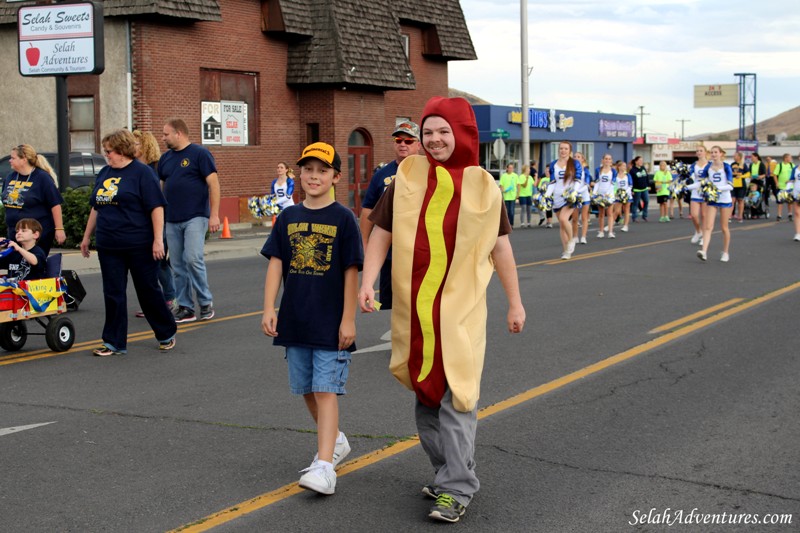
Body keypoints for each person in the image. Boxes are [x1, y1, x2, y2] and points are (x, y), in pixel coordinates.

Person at [359, 96, 525, 523]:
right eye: (427, 132)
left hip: (460, 314)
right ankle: (450, 472)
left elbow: (500, 246)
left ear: (463, 134)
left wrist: (515, 302)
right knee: (426, 400)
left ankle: (457, 487)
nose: (433, 140)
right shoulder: (406, 178)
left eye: (443, 131)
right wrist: (367, 279)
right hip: (415, 314)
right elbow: (382, 232)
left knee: (457, 399)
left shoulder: (483, 186)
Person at [261, 142, 362, 496]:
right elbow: (276, 262)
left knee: (325, 389)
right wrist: (269, 306)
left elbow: (352, 271)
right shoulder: (287, 217)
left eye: (322, 170)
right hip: (296, 319)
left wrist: (348, 319)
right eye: (308, 169)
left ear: (336, 176)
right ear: (298, 174)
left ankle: (324, 466)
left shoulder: (343, 218)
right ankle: (334, 442)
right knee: (305, 389)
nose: (314, 176)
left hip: (330, 321)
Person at [80, 129, 177, 356]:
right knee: (113, 293)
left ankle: (165, 332)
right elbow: (97, 206)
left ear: (123, 151)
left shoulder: (142, 173)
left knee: (148, 290)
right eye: (105, 151)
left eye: (109, 151)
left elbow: (156, 207)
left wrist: (157, 241)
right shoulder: (104, 172)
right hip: (109, 244)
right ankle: (113, 342)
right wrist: (86, 237)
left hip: (138, 244)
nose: (107, 156)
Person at [159, 118, 220, 323]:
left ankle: (205, 302)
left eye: (166, 134)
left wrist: (215, 214)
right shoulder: (166, 158)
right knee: (177, 264)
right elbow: (161, 187)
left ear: (179, 133)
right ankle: (185, 306)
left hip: (195, 216)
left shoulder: (200, 154)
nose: (163, 138)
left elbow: (214, 184)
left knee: (193, 258)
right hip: (171, 219)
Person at [359, 121, 420, 310]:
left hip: (420, 253)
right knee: (393, 308)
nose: (403, 144)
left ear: (419, 144)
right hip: (390, 255)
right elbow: (368, 209)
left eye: (408, 141)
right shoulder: (382, 175)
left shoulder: (430, 171)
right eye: (399, 140)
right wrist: (365, 243)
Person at [133, 130, 178, 318]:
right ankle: (153, 301)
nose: (132, 147)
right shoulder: (133, 168)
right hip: (140, 224)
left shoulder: (155, 168)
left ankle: (170, 298)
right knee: (147, 264)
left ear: (145, 145)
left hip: (158, 221)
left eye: (136, 144)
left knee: (159, 262)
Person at [2, 144, 65, 255]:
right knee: (15, 266)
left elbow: (55, 204)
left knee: (34, 266)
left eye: (13, 158)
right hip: (15, 231)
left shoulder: (42, 177)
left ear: (24, 159)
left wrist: (59, 229)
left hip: (36, 233)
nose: (10, 161)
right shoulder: (10, 177)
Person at [696, 146, 733, 262]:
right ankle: (704, 251)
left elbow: (730, 186)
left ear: (721, 153)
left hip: (725, 199)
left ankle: (726, 252)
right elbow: (701, 182)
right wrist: (686, 187)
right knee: (708, 226)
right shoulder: (708, 167)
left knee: (724, 227)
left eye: (716, 152)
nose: (713, 154)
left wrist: (717, 188)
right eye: (711, 152)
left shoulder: (726, 167)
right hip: (713, 199)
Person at [548, 141, 584, 259]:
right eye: (561, 148)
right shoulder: (554, 164)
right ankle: (566, 251)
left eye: (566, 149)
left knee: (564, 219)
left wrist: (574, 191)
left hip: (570, 196)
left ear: (570, 150)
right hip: (557, 197)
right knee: (562, 225)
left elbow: (578, 179)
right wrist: (546, 195)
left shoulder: (575, 163)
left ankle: (572, 239)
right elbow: (553, 182)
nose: (563, 151)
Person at [687, 146, 710, 245]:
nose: (699, 152)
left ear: (705, 152)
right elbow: (687, 175)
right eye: (697, 151)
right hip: (696, 191)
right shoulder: (693, 165)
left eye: (701, 151)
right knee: (694, 215)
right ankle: (698, 231)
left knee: (704, 216)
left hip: (706, 192)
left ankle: (705, 236)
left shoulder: (710, 165)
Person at [593, 154, 616, 238]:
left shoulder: (613, 171)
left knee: (610, 213)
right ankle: (601, 231)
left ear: (611, 161)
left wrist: (608, 193)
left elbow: (613, 183)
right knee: (601, 214)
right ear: (602, 160)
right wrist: (594, 193)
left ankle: (610, 231)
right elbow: (597, 182)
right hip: (600, 194)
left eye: (609, 159)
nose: (607, 160)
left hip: (609, 194)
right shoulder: (598, 170)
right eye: (606, 159)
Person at [572, 152, 592, 244]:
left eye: (578, 157)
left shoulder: (585, 170)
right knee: (575, 218)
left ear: (582, 159)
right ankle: (575, 236)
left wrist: (579, 191)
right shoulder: (570, 170)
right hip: (574, 195)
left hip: (584, 195)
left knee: (584, 217)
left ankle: (583, 236)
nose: (576, 158)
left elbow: (587, 184)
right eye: (575, 156)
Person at [772, 153, 795, 221]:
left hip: (790, 186)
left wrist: (791, 180)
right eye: (790, 158)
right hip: (781, 186)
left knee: (790, 201)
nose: (791, 159)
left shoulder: (792, 165)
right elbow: (775, 174)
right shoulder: (779, 165)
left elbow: (794, 175)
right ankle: (779, 215)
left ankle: (790, 214)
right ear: (785, 158)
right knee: (780, 202)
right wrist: (776, 183)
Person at [730, 152, 750, 223]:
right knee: (732, 200)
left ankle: (740, 216)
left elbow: (748, 174)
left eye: (735, 155)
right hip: (733, 184)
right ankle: (730, 215)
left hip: (741, 185)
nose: (733, 156)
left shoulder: (743, 165)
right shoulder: (732, 165)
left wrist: (741, 176)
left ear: (739, 157)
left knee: (740, 200)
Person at [614, 160, 632, 233]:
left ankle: (625, 226)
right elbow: (614, 186)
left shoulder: (627, 175)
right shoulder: (615, 175)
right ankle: (610, 224)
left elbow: (630, 185)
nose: (624, 167)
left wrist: (625, 193)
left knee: (626, 210)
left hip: (627, 195)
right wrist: (617, 193)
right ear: (619, 167)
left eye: (625, 166)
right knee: (617, 211)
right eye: (623, 166)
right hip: (618, 195)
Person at [629, 156, 649, 222]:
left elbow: (646, 177)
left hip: (644, 188)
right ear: (636, 161)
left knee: (646, 201)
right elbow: (631, 181)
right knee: (635, 203)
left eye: (642, 160)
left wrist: (647, 185)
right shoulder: (632, 170)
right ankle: (634, 217)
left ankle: (644, 215)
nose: (641, 162)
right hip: (636, 189)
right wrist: (632, 190)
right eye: (639, 160)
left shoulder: (643, 168)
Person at [789, 164, 800, 241]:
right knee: (797, 213)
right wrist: (787, 190)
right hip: (797, 193)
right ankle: (798, 234)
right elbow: (791, 180)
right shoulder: (795, 168)